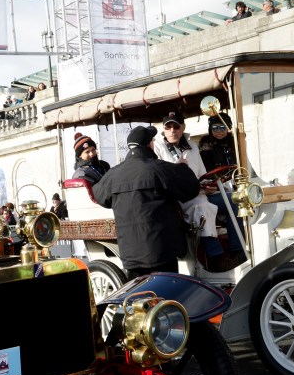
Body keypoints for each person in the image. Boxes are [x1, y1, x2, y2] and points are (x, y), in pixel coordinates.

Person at [93, 126, 200, 278]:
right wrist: (183, 167)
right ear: (149, 144)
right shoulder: (159, 168)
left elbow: (100, 197)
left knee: (138, 292)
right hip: (162, 250)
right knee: (165, 291)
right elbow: (192, 188)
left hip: (131, 253)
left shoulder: (113, 174)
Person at [155, 111, 244, 269]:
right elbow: (160, 178)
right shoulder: (157, 148)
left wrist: (209, 185)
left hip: (199, 193)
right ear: (164, 129)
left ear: (183, 127)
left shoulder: (192, 147)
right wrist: (178, 170)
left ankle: (238, 251)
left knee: (234, 199)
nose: (172, 130)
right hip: (178, 199)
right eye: (168, 127)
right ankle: (216, 258)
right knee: (203, 208)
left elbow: (202, 174)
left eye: (176, 126)